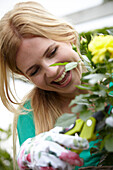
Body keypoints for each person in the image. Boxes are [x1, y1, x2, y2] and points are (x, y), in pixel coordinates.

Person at [0, 1, 112, 170]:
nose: (51, 72)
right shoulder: (30, 114)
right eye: (34, 70)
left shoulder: (108, 76)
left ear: (67, 35)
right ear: (26, 77)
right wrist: (29, 158)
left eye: (52, 52)